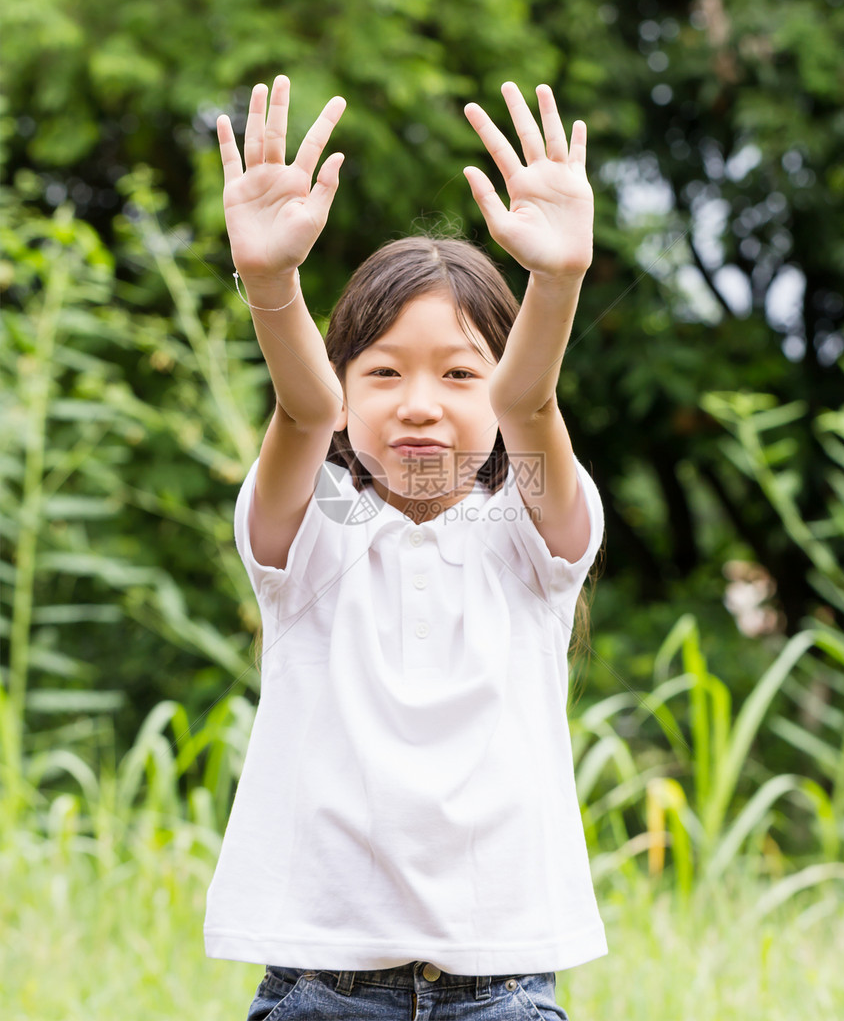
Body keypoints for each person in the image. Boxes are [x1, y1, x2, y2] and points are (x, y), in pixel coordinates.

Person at [205, 74, 606, 1021]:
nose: (420, 402)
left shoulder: (532, 538)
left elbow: (529, 403)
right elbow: (306, 406)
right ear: (349, 386)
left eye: (459, 372)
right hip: (320, 987)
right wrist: (268, 282)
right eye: (383, 371)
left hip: (501, 989)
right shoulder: (313, 530)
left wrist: (558, 282)